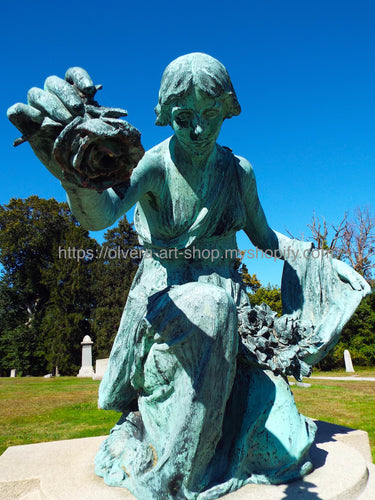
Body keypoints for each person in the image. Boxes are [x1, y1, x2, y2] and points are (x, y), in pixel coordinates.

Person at [7, 53, 369, 500]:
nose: (198, 129)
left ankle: (211, 445)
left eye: (210, 115)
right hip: (170, 307)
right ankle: (176, 480)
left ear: (227, 110)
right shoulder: (155, 164)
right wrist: (75, 176)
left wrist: (317, 257)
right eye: (184, 117)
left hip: (228, 317)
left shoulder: (238, 173)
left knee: (284, 445)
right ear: (166, 114)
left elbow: (264, 237)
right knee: (211, 308)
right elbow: (101, 215)